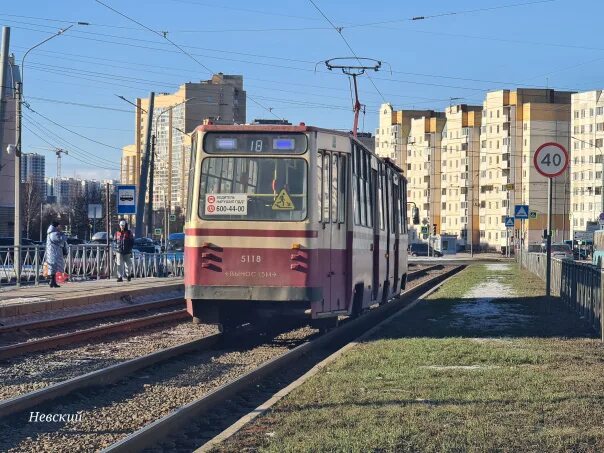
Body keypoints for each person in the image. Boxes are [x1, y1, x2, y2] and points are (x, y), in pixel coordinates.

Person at [45, 220, 67, 288]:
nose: (60, 227)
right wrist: (63, 235)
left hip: (53, 252)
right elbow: (60, 239)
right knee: (53, 267)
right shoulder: (53, 233)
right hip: (53, 253)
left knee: (53, 268)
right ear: (56, 226)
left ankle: (53, 282)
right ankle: (52, 282)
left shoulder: (52, 233)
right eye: (59, 226)